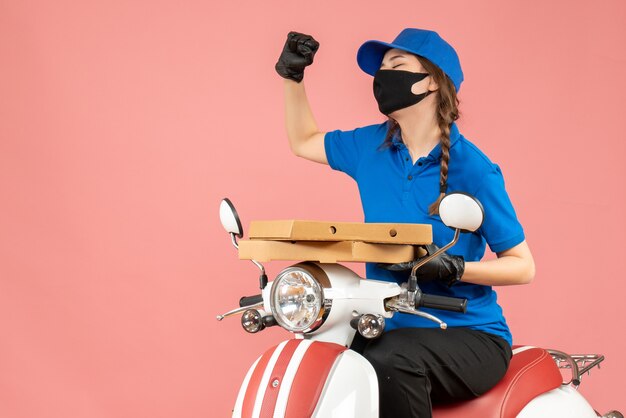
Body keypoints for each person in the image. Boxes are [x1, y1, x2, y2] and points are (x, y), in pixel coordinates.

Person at [275, 28, 535, 418]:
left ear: (430, 81)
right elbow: (303, 140)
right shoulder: (370, 148)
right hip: (385, 326)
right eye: (381, 70)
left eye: (397, 66)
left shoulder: (474, 168)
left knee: (390, 360)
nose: (383, 77)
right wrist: (293, 79)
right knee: (327, 360)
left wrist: (454, 268)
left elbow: (522, 265)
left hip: (468, 334)